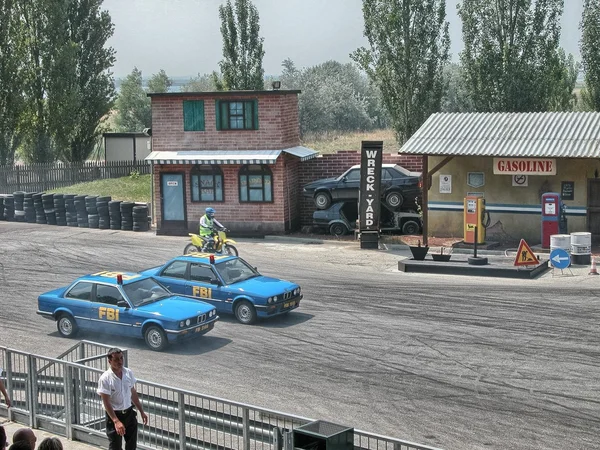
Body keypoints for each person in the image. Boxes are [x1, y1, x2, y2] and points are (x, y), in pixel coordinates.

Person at [97, 348, 147, 450]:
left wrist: (141, 411)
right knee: (115, 446)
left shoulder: (128, 373)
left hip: (129, 413)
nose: (119, 362)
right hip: (115, 415)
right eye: (116, 359)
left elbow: (133, 393)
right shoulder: (105, 378)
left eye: (121, 358)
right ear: (109, 361)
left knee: (131, 445)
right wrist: (116, 421)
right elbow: (106, 402)